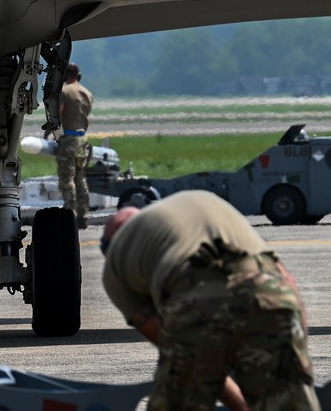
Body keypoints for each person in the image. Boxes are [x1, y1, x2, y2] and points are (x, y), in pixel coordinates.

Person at [101, 191, 318, 410]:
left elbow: (171, 341)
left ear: (107, 247)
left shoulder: (114, 267)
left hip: (195, 303)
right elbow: (286, 281)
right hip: (268, 294)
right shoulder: (203, 200)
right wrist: (297, 350)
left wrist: (241, 406)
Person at [57, 62, 93, 228]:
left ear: (66, 76)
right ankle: (83, 216)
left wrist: (48, 134)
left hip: (69, 140)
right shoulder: (87, 93)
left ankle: (69, 213)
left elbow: (59, 113)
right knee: (80, 177)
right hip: (82, 140)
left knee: (67, 178)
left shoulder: (64, 91)